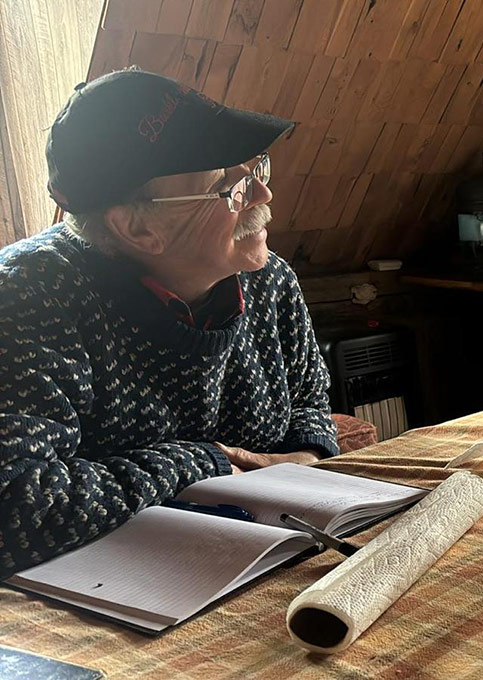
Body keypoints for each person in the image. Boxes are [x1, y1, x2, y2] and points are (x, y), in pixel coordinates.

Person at [0, 69, 338, 578]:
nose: (262, 197)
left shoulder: (271, 281)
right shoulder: (29, 297)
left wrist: (309, 454)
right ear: (137, 227)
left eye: (254, 170)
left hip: (258, 562)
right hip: (107, 600)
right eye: (228, 187)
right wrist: (202, 461)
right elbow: (15, 507)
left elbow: (310, 403)